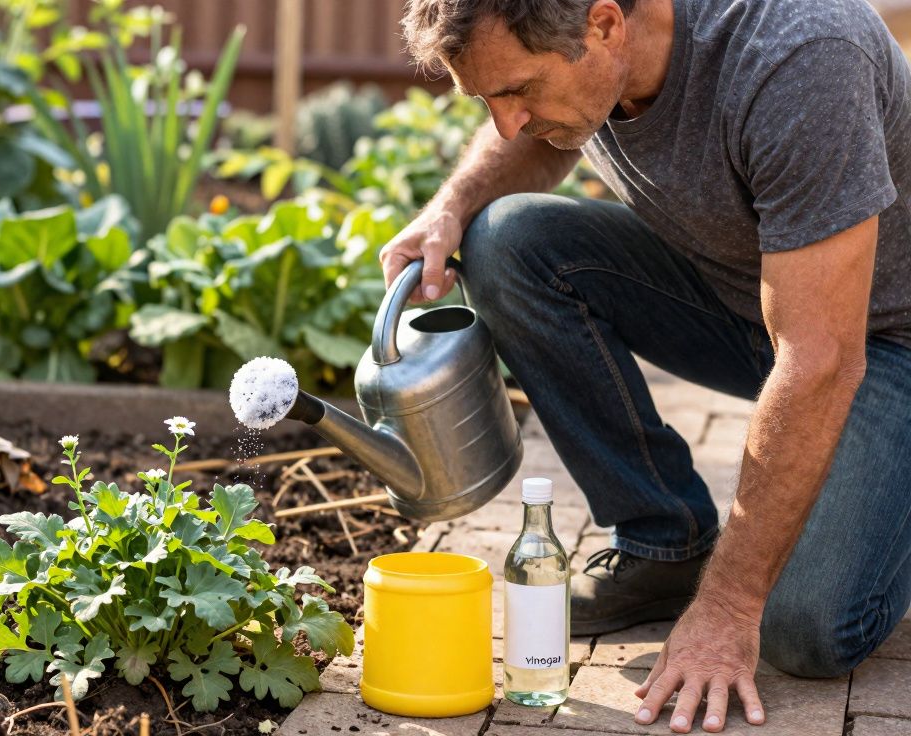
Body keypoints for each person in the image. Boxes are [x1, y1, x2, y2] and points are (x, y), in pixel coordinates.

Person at [381, 0, 911, 732]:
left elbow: (818, 358)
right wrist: (452, 205)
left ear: (604, 26)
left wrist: (727, 606)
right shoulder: (592, 60)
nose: (506, 121)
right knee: (505, 240)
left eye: (520, 92)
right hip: (755, 299)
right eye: (487, 98)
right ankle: (665, 545)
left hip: (887, 339)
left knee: (803, 630)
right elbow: (535, 138)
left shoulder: (800, 57)